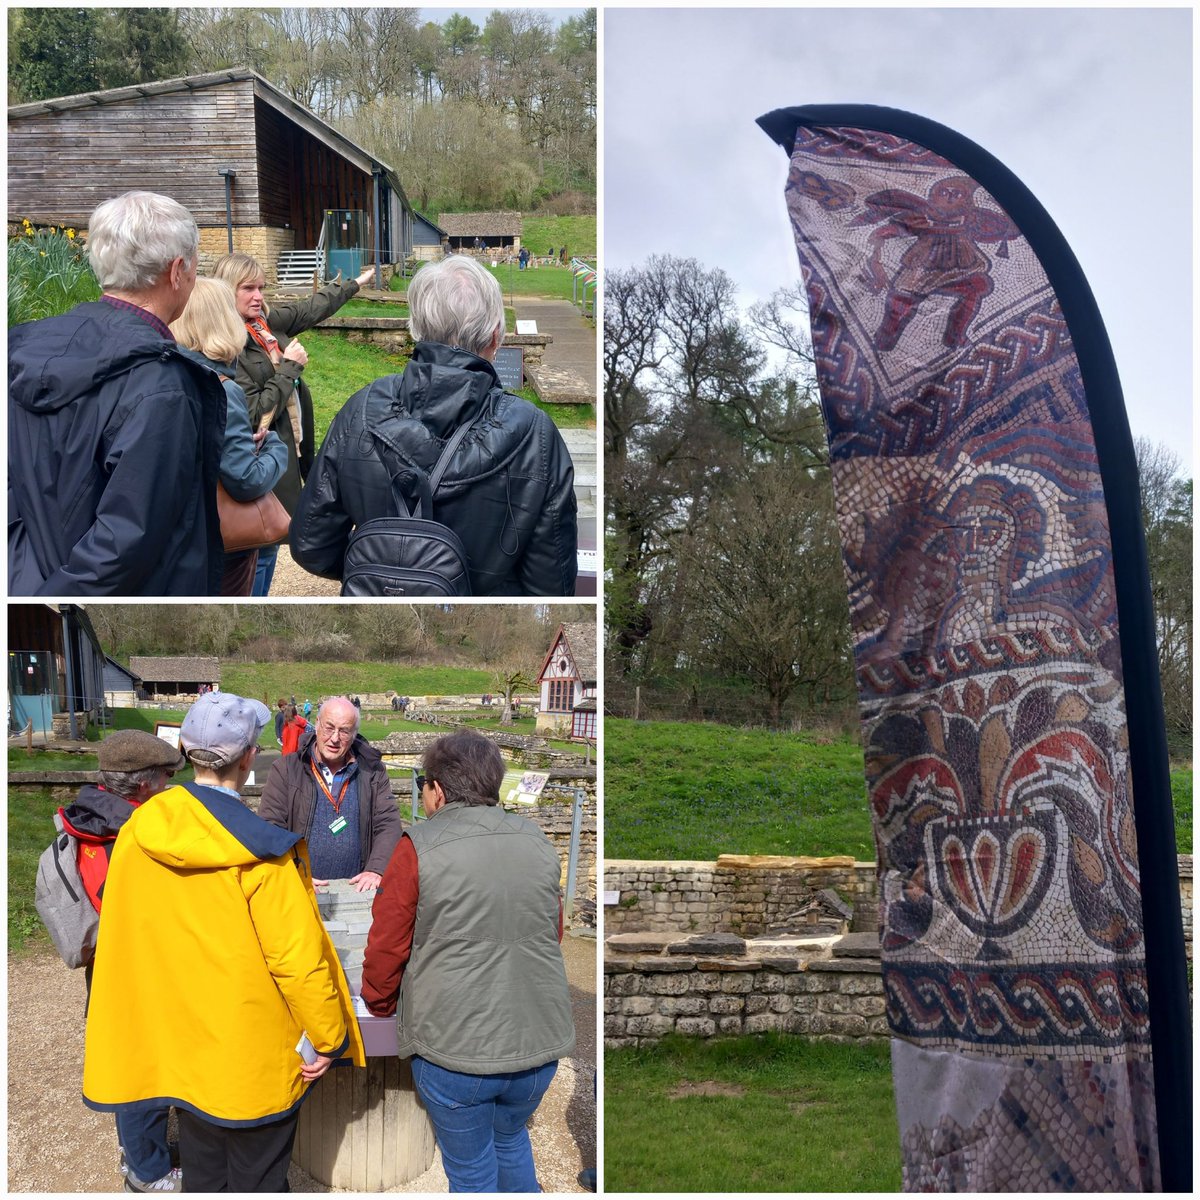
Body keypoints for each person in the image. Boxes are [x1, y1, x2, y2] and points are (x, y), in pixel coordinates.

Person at [82, 693, 364, 1192]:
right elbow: (296, 963)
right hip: (247, 1055)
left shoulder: (137, 831)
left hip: (179, 1047)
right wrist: (328, 1037)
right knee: (258, 1177)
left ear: (186, 751)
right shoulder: (262, 851)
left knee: (204, 1172)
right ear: (250, 758)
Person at [361, 729, 575, 1192]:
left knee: (472, 1169)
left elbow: (387, 945)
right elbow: (551, 932)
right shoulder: (536, 839)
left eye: (423, 785)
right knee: (511, 1140)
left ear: (436, 789)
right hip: (537, 1044)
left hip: (457, 1052)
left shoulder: (416, 845)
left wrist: (379, 1008)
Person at [289, 255, 578, 596]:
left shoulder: (361, 409)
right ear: (496, 336)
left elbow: (312, 543)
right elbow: (551, 582)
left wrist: (383, 572)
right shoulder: (535, 435)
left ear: (416, 328)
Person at [9, 191, 225, 595]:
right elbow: (126, 542)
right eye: (195, 266)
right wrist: (47, 604)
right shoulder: (161, 385)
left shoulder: (17, 348)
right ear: (178, 271)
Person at [60, 730, 184, 1193]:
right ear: (144, 783)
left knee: (130, 1057)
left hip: (108, 964)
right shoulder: (132, 832)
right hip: (138, 967)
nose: (171, 785)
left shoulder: (92, 814)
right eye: (167, 777)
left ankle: (136, 1152)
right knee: (141, 1067)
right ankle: (147, 1171)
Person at [212, 253, 377, 596]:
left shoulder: (264, 325)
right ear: (226, 291)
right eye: (248, 288)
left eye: (261, 287)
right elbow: (253, 413)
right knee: (259, 541)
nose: (258, 296)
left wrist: (353, 285)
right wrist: (289, 368)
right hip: (259, 459)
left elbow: (309, 308)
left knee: (271, 540)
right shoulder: (227, 345)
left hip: (286, 453)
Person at [169, 277, 288, 595]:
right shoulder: (222, 388)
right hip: (222, 543)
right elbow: (246, 481)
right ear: (224, 322)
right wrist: (275, 448)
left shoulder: (166, 374)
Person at [260, 696, 401, 892]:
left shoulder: (372, 771)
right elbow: (270, 826)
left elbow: (388, 823)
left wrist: (377, 869)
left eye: (344, 731)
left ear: (354, 734)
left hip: (358, 890)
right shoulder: (286, 769)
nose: (335, 738)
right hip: (300, 888)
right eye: (329, 727)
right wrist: (294, 871)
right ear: (316, 724)